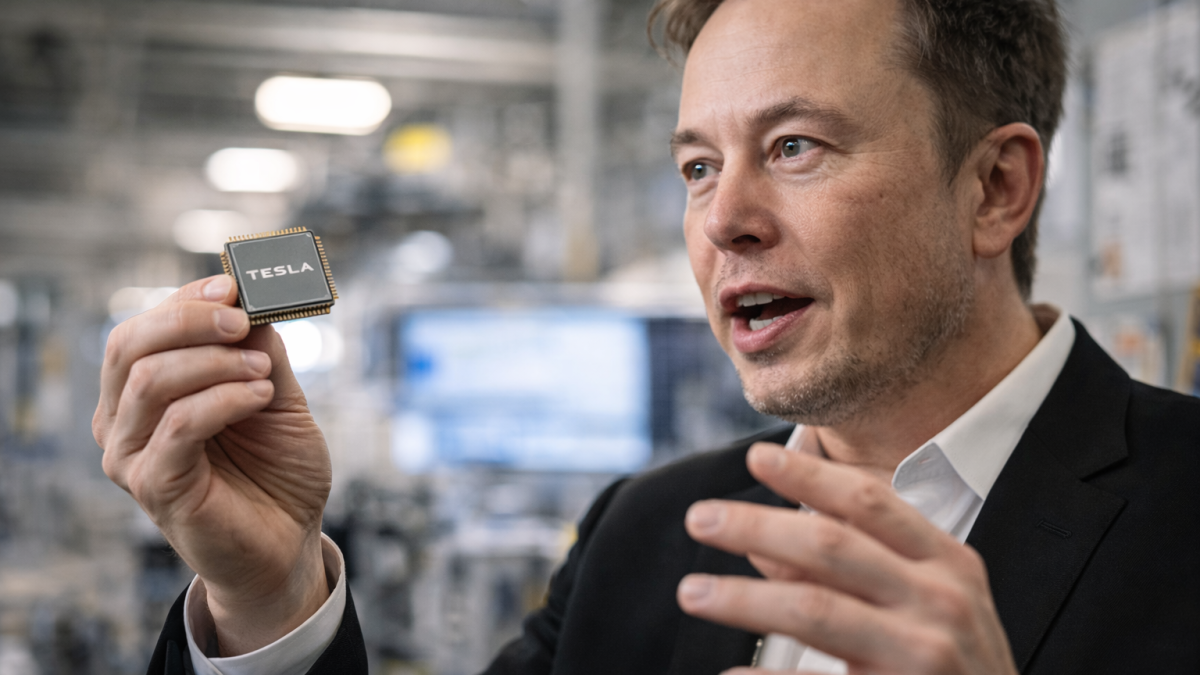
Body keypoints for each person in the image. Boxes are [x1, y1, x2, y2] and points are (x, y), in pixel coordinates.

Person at [94, 0, 1200, 672]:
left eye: (797, 146)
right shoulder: (648, 533)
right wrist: (270, 597)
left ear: (996, 187)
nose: (724, 220)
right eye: (699, 166)